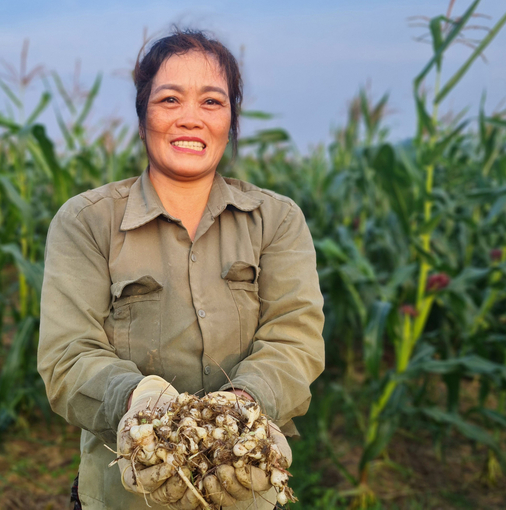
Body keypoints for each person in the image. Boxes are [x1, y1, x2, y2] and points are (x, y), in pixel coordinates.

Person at [37, 28, 325, 510]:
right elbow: (68, 354)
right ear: (143, 114)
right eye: (169, 99)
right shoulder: (86, 221)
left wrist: (245, 406)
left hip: (245, 488)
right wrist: (140, 406)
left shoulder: (275, 219)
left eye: (212, 102)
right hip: (124, 495)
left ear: (231, 119)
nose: (190, 119)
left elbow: (295, 338)